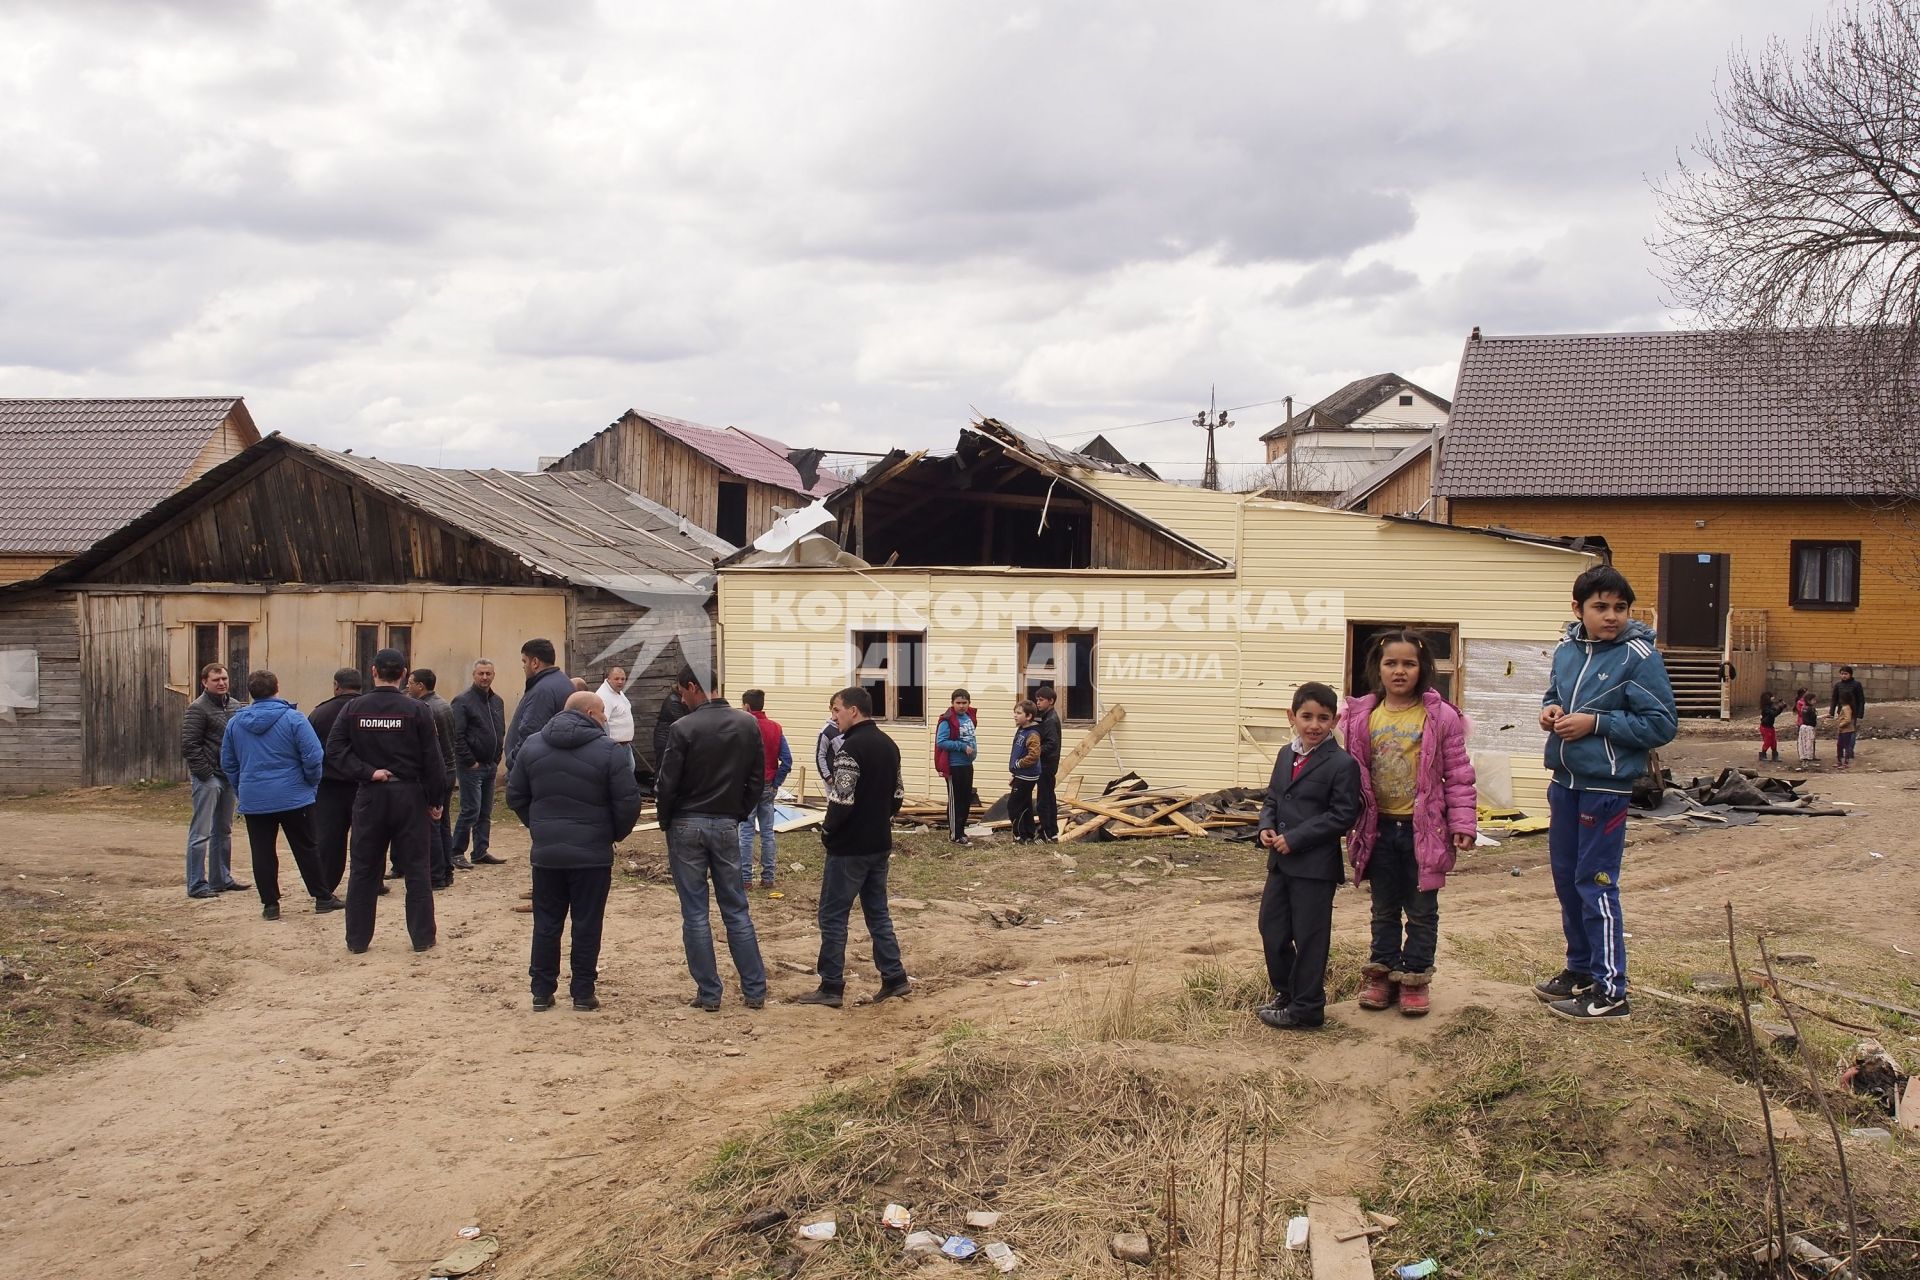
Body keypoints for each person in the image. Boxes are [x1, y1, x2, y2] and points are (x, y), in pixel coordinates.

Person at [1534, 565, 1678, 1022]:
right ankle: (1579, 970)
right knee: (1566, 880)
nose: (1611, 616)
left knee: (1595, 884)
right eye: (1600, 607)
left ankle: (1612, 991)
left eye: (1620, 607)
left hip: (1605, 790)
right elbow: (1554, 694)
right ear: (1578, 609)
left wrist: (1595, 723)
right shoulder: (1566, 647)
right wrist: (1550, 711)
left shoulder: (1638, 656)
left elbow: (1661, 725)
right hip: (1565, 783)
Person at [1338, 632, 1477, 1018]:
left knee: (1421, 910)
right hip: (1377, 829)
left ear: (1423, 668)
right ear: (1377, 669)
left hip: (1424, 831)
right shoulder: (1360, 716)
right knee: (1383, 908)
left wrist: (1461, 823)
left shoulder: (1441, 716)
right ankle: (1381, 974)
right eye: (1391, 663)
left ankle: (1415, 978)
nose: (1400, 671)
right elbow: (1350, 776)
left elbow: (1459, 775)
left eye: (1409, 663)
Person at [508, 691, 642, 1011]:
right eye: (603, 715)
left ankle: (541, 990)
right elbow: (628, 803)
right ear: (590, 713)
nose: (606, 720)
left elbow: (516, 796)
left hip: (547, 854)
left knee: (547, 922)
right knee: (587, 922)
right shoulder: (609, 751)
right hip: (592, 855)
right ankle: (583, 991)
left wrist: (539, 828)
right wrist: (610, 835)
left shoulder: (532, 745)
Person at [654, 668, 769, 1012]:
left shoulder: (682, 728)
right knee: (736, 910)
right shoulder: (747, 724)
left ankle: (709, 993)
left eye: (682, 693)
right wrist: (737, 813)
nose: (681, 700)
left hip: (687, 823)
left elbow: (667, 782)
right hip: (724, 823)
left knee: (695, 913)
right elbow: (755, 779)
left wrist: (666, 821)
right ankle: (755, 990)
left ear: (694, 688)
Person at [325, 648, 450, 954]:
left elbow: (334, 750)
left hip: (371, 795)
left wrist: (368, 772)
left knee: (364, 869)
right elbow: (432, 759)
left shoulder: (354, 708)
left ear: (373, 671)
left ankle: (357, 940)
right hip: (409, 795)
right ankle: (422, 937)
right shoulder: (418, 710)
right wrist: (436, 799)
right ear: (404, 673)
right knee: (417, 869)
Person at [1254, 682, 1361, 1031]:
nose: (1314, 725)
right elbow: (1273, 798)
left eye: (1323, 718)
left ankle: (1308, 1008)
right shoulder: (1287, 754)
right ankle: (1287, 994)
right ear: (1292, 717)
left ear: (1336, 720)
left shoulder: (1342, 764)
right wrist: (1265, 827)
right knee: (1271, 929)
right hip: (1281, 864)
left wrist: (1296, 839)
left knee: (1311, 937)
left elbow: (1343, 815)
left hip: (1315, 868)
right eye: (1307, 717)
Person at [795, 686, 910, 1009]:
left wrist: (828, 830)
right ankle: (894, 977)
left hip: (849, 849)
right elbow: (898, 796)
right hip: (879, 844)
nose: (834, 717)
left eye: (836, 710)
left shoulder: (849, 749)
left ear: (854, 711)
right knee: (878, 914)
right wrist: (878, 820)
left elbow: (842, 800)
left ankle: (831, 985)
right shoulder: (889, 746)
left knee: (833, 916)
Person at [220, 670, 333, 920]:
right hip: (294, 795)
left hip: (255, 797)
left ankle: (270, 904)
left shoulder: (236, 723)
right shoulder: (294, 719)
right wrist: (310, 783)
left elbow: (228, 762)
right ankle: (322, 896)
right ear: (277, 687)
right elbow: (313, 756)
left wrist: (242, 787)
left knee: (262, 851)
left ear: (250, 692)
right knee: (307, 847)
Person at [181, 663, 246, 899]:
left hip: (228, 775)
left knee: (224, 829)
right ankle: (197, 883)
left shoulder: (235, 706)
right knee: (201, 832)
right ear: (204, 682)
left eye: (224, 678)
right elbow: (189, 745)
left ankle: (221, 879)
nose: (221, 683)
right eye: (216, 679)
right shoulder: (197, 708)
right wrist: (205, 774)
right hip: (208, 777)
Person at [308, 668, 365, 899]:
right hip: (364, 781)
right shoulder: (369, 709)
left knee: (330, 838)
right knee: (367, 835)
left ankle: (326, 885)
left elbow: (310, 749)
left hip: (329, 784)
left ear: (336, 685)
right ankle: (372, 881)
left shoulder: (319, 713)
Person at [450, 659, 506, 868]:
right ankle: (456, 851)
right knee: (470, 809)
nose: (485, 677)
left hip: (490, 764)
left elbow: (499, 729)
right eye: (481, 673)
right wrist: (469, 760)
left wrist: (497, 756)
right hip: (471, 766)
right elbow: (457, 735)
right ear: (474, 675)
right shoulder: (462, 701)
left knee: (485, 811)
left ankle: (480, 850)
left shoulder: (496, 701)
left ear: (493, 675)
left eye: (488, 674)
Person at [407, 669, 458, 890]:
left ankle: (436, 874)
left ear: (420, 686)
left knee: (432, 823)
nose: (407, 686)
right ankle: (447, 869)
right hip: (448, 769)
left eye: (410, 683)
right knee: (443, 822)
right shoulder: (442, 704)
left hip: (438, 771)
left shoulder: (427, 709)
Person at [737, 689, 792, 891]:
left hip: (746, 786)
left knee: (745, 833)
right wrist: (777, 782)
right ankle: (768, 878)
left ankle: (745, 879)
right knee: (767, 833)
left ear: (746, 706)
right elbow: (787, 761)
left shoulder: (742, 727)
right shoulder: (775, 728)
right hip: (768, 785)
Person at [505, 638, 572, 775]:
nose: (523, 666)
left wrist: (514, 761)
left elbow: (530, 732)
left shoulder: (543, 690)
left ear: (535, 662)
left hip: (535, 771)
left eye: (524, 661)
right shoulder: (563, 681)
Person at [934, 688, 978, 845]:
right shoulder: (947, 720)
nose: (961, 706)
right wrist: (961, 746)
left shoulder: (969, 717)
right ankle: (954, 834)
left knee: (966, 799)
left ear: (969, 703)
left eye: (964, 703)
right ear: (952, 703)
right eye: (958, 703)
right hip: (954, 765)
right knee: (955, 800)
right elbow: (941, 741)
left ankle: (961, 831)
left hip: (967, 764)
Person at [1008, 699, 1042, 843]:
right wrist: (1014, 773)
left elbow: (1033, 755)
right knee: (1025, 804)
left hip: (1027, 776)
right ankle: (1028, 834)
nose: (1015, 715)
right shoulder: (1021, 730)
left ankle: (1019, 835)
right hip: (1020, 775)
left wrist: (1018, 764)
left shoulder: (1032, 733)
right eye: (1014, 712)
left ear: (1028, 716)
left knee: (1013, 806)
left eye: (1018, 713)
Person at [1032, 685, 1062, 842]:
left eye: (1041, 700)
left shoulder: (1050, 720)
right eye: (1037, 699)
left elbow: (1051, 744)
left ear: (1051, 701)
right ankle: (1052, 832)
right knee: (1049, 798)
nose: (1038, 703)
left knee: (1044, 801)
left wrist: (1034, 751)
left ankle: (1046, 832)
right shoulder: (1047, 717)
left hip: (1046, 765)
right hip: (1048, 765)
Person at [596, 666, 636, 770]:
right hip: (614, 746)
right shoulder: (604, 696)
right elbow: (602, 722)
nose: (620, 682)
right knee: (620, 775)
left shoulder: (618, 692)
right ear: (608, 679)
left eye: (623, 679)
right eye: (616, 679)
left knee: (629, 771)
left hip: (625, 745)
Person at [652, 685, 689, 774]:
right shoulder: (674, 701)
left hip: (668, 736)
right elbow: (682, 721)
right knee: (663, 768)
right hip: (665, 738)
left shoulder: (677, 698)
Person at [1795, 687, 1819, 767]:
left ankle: (1806, 759)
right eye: (1813, 700)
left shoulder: (1804, 707)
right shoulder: (1808, 708)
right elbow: (1812, 718)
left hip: (1804, 725)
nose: (1815, 701)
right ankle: (1807, 759)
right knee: (1807, 742)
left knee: (1805, 742)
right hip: (1807, 726)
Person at [1758, 691, 1783, 764]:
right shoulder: (1766, 708)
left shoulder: (1769, 706)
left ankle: (1774, 755)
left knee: (1773, 741)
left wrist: (1780, 707)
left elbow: (1775, 712)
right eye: (1771, 696)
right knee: (1768, 741)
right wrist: (1780, 708)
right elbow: (1773, 714)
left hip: (1770, 726)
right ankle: (1763, 754)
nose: (1773, 698)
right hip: (1765, 727)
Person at [1836, 699, 1858, 770]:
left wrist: (1841, 725)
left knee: (1845, 746)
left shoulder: (1846, 708)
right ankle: (1840, 762)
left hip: (1846, 730)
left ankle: (1845, 762)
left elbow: (1847, 720)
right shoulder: (1846, 707)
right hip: (1844, 730)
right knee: (1841, 745)